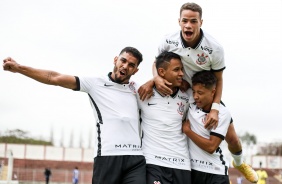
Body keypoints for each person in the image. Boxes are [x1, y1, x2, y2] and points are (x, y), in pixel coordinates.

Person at [138, 2, 258, 183]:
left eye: (193, 21)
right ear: (179, 21)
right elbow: (158, 63)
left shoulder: (214, 48)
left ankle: (240, 162)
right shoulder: (168, 40)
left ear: (201, 22)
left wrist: (216, 108)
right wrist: (154, 79)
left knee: (231, 136)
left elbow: (218, 79)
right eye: (185, 21)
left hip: (204, 92)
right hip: (182, 90)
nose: (188, 25)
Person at [2, 46, 146, 184]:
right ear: (116, 60)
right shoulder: (95, 83)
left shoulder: (139, 90)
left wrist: (153, 81)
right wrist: (19, 68)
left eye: (131, 65)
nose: (125, 66)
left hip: (135, 158)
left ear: (136, 70)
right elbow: (54, 78)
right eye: (123, 61)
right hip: (108, 156)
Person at [137, 51, 191, 184]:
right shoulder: (143, 93)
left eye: (182, 69)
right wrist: (152, 80)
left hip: (182, 164)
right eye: (176, 70)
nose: (181, 74)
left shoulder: (188, 95)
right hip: (153, 162)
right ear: (161, 72)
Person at [182, 71, 230, 184]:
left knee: (233, 140)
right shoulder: (192, 103)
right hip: (193, 171)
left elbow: (211, 146)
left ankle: (239, 161)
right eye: (194, 92)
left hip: (216, 173)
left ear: (213, 92)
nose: (195, 96)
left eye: (200, 92)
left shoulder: (222, 113)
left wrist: (188, 131)